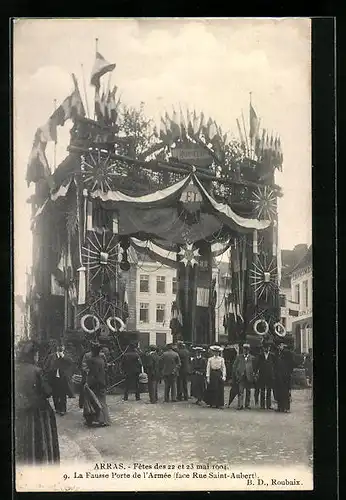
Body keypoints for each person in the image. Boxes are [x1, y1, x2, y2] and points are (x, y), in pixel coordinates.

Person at [15, 341, 60, 464]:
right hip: (38, 411)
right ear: (32, 355)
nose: (37, 357)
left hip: (20, 409)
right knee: (40, 438)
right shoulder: (37, 370)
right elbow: (47, 392)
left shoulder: (15, 369)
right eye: (36, 355)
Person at [83, 341, 111, 427]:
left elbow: (91, 373)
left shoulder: (91, 359)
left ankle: (93, 420)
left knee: (91, 401)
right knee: (102, 401)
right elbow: (105, 368)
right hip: (102, 381)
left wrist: (87, 383)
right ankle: (105, 420)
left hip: (94, 383)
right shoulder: (102, 358)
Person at [44, 343, 74, 416]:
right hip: (54, 378)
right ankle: (57, 408)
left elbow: (71, 363)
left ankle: (63, 409)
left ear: (64, 347)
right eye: (59, 346)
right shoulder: (51, 356)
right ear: (57, 347)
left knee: (63, 394)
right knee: (55, 394)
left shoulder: (66, 356)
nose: (61, 348)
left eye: (62, 346)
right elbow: (46, 366)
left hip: (63, 378)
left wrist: (63, 357)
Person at [232, 343, 255, 410]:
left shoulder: (252, 358)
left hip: (249, 377)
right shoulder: (239, 357)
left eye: (247, 349)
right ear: (243, 349)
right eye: (244, 349)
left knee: (248, 391)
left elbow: (254, 367)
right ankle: (240, 405)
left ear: (249, 350)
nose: (246, 351)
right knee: (240, 391)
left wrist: (253, 375)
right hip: (241, 377)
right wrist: (236, 375)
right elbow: (234, 366)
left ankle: (247, 405)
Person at [274, 342, 294, 413]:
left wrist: (289, 372)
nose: (279, 346)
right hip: (278, 375)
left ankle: (286, 408)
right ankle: (280, 407)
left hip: (285, 375)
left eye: (280, 345)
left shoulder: (287, 353)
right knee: (279, 392)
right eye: (278, 345)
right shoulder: (277, 353)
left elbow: (291, 364)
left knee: (285, 392)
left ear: (283, 345)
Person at [255, 342, 275, 410]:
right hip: (262, 375)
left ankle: (269, 405)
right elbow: (257, 365)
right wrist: (256, 373)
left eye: (268, 347)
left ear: (269, 348)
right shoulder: (260, 355)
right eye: (266, 347)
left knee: (269, 390)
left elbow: (274, 365)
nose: (267, 349)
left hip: (270, 375)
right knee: (262, 390)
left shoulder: (272, 355)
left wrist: (273, 374)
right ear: (263, 348)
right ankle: (262, 405)